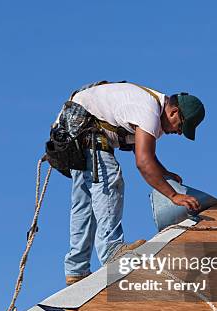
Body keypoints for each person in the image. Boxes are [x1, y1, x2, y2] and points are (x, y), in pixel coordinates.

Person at [57, 81, 205, 285]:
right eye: (180, 126)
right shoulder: (149, 110)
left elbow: (144, 153)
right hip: (87, 131)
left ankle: (77, 268)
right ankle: (111, 250)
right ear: (174, 112)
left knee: (85, 202)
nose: (178, 132)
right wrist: (174, 195)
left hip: (74, 129)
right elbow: (143, 162)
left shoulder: (150, 106)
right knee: (109, 182)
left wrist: (164, 172)